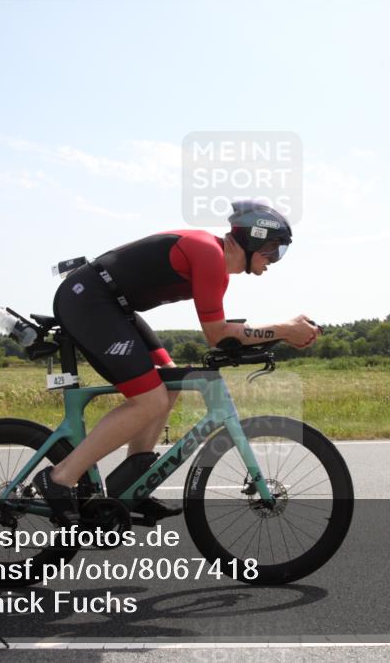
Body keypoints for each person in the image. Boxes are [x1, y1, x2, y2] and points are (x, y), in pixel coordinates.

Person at [34, 201, 320, 525]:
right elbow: (217, 333)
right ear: (254, 240)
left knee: (169, 384)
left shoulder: (215, 264)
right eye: (273, 251)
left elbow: (224, 334)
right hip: (88, 300)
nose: (273, 261)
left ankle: (132, 486)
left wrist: (280, 334)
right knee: (149, 400)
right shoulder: (209, 255)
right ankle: (58, 479)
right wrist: (284, 330)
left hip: (112, 305)